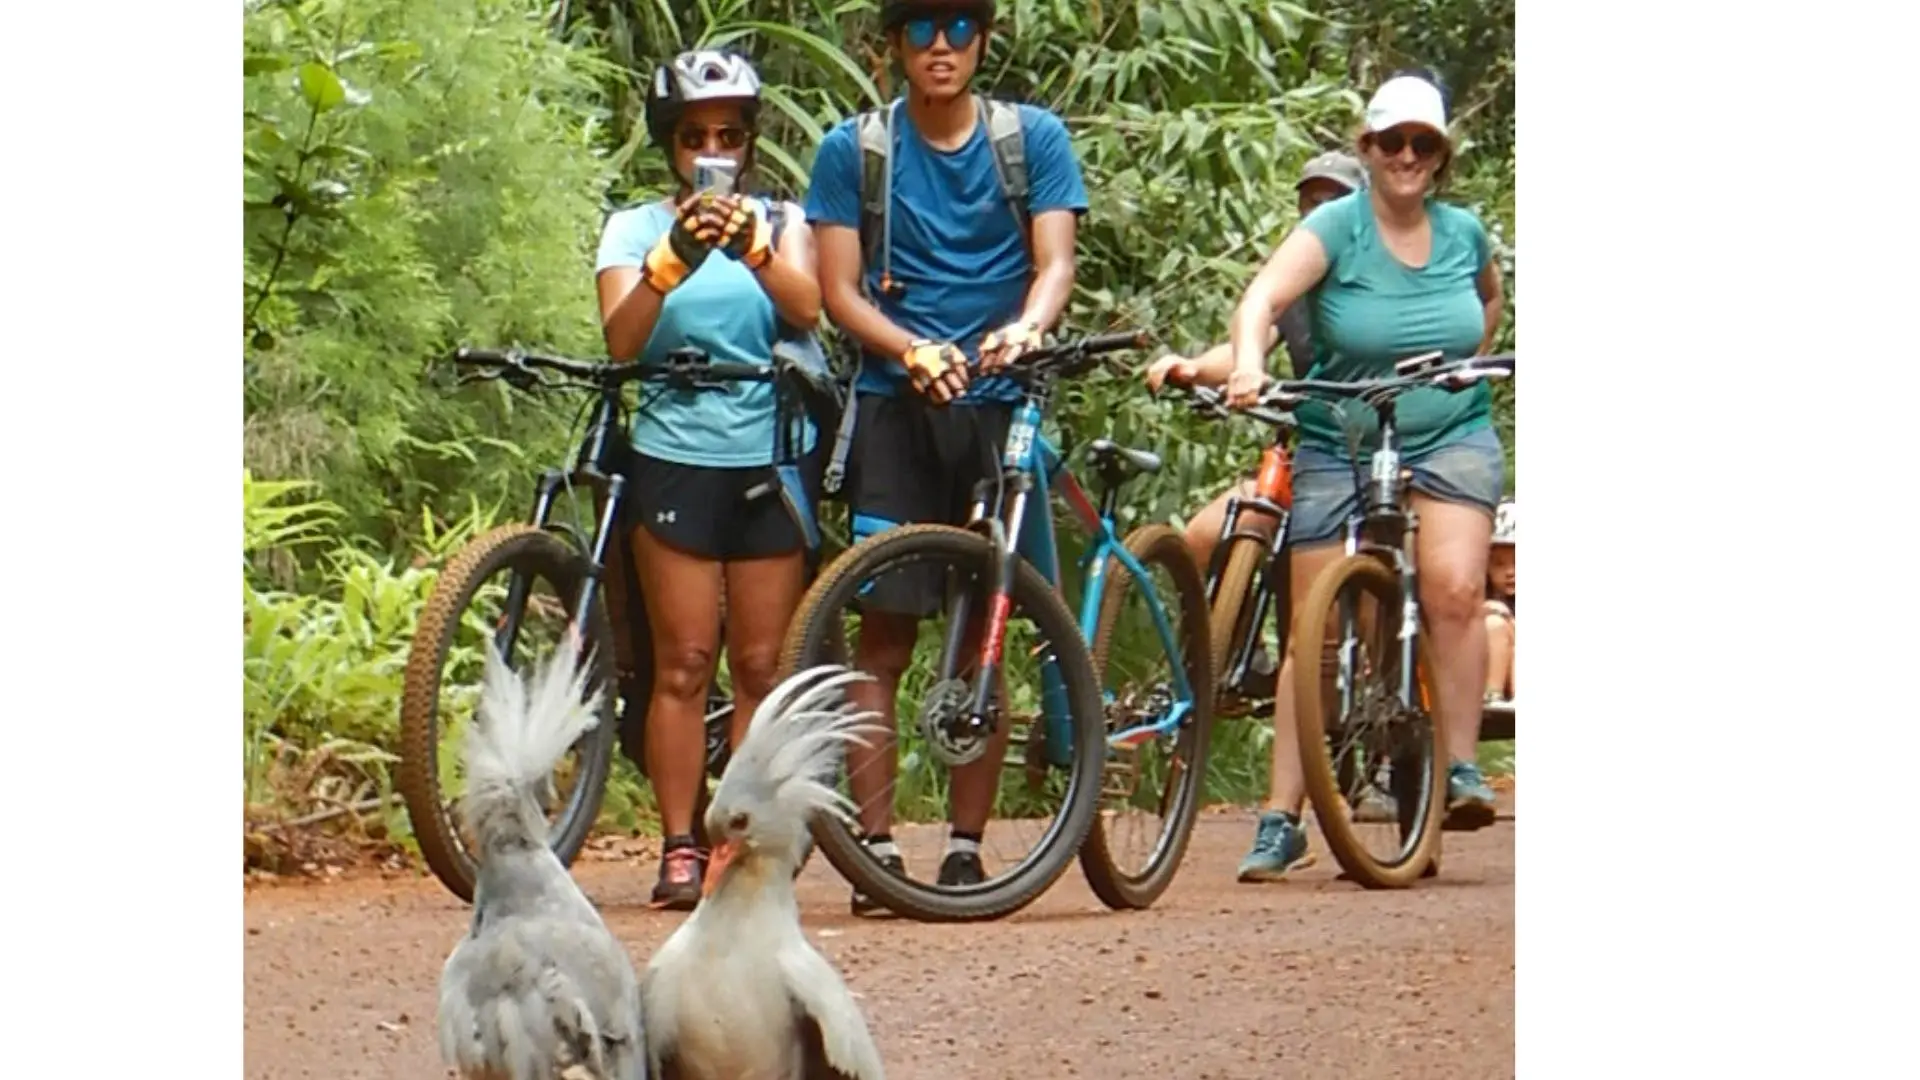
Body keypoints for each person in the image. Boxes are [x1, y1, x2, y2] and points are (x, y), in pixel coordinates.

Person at [1157, 69, 1508, 881]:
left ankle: (1459, 766)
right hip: (1337, 432)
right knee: (1312, 631)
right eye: (1394, 142)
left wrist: (1462, 363)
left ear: (1441, 155)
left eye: (1424, 144)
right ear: (1370, 149)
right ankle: (1283, 818)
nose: (1408, 157)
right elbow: (1261, 304)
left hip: (1449, 430)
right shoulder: (1334, 229)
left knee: (1454, 587)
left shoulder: (1464, 234)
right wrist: (1244, 363)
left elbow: (1486, 307)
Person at [803, 0, 1089, 916]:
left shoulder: (1031, 138)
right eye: (922, 26)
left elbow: (1053, 262)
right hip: (896, 406)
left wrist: (1023, 331)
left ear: (984, 42)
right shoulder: (855, 150)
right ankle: (878, 851)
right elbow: (836, 290)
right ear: (892, 45)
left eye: (960, 27)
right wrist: (908, 349)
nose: (940, 46)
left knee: (984, 635)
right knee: (883, 634)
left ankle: (966, 850)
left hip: (999, 405)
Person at [591, 49, 824, 910]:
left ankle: (754, 846)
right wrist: (672, 257)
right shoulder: (630, 228)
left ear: (750, 144)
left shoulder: (782, 219)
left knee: (761, 664)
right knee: (684, 663)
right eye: (694, 138)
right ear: (671, 146)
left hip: (765, 455)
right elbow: (623, 338)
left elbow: (807, 308)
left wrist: (756, 248)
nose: (711, 152)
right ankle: (681, 844)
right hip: (673, 454)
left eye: (728, 136)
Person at [1146, 149, 1368, 576]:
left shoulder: (1380, 276)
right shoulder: (1294, 285)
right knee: (1204, 536)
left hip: (1380, 453)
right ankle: (1225, 639)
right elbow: (1247, 346)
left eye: (1335, 201)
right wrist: (1191, 368)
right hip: (1315, 449)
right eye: (1312, 202)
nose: (1322, 211)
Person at [1484, 499, 1515, 705]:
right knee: (1494, 625)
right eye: (1499, 564)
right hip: (1479, 669)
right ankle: (1492, 695)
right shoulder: (1478, 595)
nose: (1510, 572)